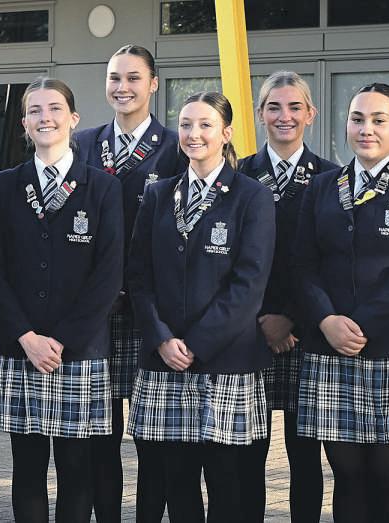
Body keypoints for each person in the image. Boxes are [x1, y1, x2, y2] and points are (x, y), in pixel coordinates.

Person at [294, 82, 389, 523]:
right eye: (357, 119)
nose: (366, 129)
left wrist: (356, 324)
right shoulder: (323, 186)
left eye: (379, 120)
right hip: (330, 347)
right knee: (346, 474)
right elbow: (302, 264)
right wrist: (326, 320)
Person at [0, 77, 125, 523]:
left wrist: (61, 340)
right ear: (24, 124)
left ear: (73, 118)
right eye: (35, 111)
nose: (46, 118)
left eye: (55, 109)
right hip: (19, 347)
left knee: (77, 470)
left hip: (77, 350)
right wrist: (26, 336)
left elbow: (108, 275)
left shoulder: (102, 187)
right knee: (26, 469)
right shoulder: (3, 185)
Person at [128, 91, 275, 522]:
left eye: (206, 125)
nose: (194, 133)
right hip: (165, 359)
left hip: (223, 359)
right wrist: (161, 338)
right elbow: (138, 275)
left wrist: (196, 343)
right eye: (186, 124)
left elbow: (249, 284)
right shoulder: (159, 194)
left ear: (226, 133)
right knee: (176, 479)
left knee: (226, 479)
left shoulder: (251, 196)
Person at [70, 44, 187, 523]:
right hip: (95, 312)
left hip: (150, 312)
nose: (123, 87)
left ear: (154, 84)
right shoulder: (83, 143)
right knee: (100, 431)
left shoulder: (177, 146)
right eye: (114, 78)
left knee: (153, 435)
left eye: (134, 78)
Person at [233, 70, 340, 523]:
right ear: (260, 113)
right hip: (248, 331)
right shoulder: (238, 174)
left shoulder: (333, 178)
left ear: (310, 114)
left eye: (295, 107)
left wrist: (291, 319)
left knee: (305, 453)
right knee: (247, 452)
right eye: (274, 107)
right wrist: (259, 319)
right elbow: (229, 260)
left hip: (306, 332)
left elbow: (330, 260)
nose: (285, 116)